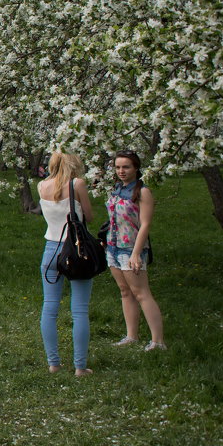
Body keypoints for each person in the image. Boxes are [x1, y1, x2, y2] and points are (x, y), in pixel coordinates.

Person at [37, 150, 95, 376]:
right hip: (76, 250)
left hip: (50, 250)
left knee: (49, 307)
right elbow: (88, 217)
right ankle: (80, 366)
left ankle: (53, 363)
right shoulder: (77, 184)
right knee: (79, 310)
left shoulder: (42, 187)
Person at [106, 151, 165, 351]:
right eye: (118, 167)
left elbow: (145, 225)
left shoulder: (142, 192)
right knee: (125, 292)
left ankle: (158, 341)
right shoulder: (116, 189)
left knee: (141, 293)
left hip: (131, 248)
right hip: (113, 247)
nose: (121, 171)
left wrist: (135, 254)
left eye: (126, 167)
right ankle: (132, 336)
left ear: (136, 168)